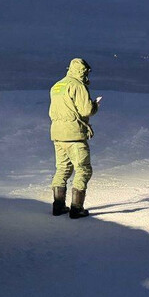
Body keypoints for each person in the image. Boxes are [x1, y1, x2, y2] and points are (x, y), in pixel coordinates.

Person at [48, 58, 100, 219]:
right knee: (83, 169)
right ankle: (77, 209)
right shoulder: (78, 85)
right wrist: (95, 105)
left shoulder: (57, 86)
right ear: (83, 71)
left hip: (57, 134)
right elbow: (86, 110)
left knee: (62, 168)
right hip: (74, 135)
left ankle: (58, 206)